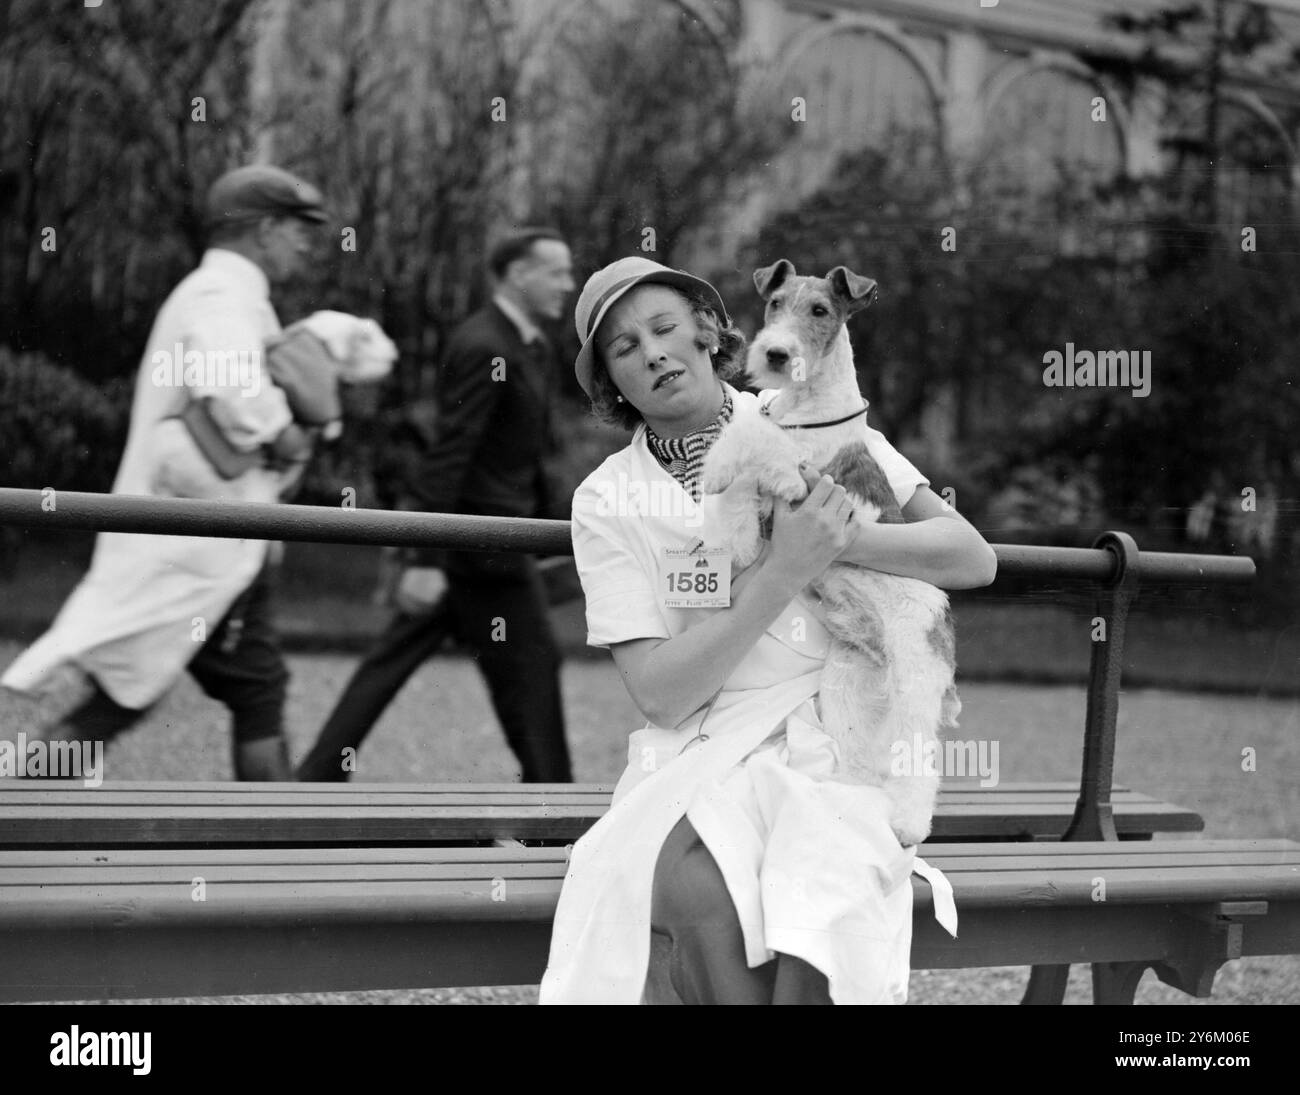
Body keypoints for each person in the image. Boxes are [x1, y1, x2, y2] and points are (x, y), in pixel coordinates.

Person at [539, 257, 998, 1004]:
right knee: (702, 894)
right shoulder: (606, 499)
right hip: (704, 748)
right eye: (624, 349)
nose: (652, 353)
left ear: (709, 332)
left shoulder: (809, 419)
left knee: (822, 899)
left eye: (663, 329)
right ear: (610, 386)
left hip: (839, 740)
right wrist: (782, 569)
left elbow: (969, 557)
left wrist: (833, 539)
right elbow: (662, 693)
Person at [1, 164, 327, 780]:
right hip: (197, 547)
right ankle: (283, 837)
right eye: (297, 230)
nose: (306, 244)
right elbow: (231, 389)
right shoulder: (220, 294)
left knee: (176, 690)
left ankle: (283, 834)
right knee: (151, 694)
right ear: (263, 230)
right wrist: (286, 431)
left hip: (207, 543)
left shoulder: (225, 293)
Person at [295, 227, 577, 783]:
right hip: (483, 545)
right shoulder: (485, 345)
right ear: (519, 274)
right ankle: (554, 808)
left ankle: (315, 779)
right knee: (533, 666)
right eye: (558, 272)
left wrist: (551, 531)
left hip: (489, 540)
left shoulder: (521, 343)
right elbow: (451, 454)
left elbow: (520, 452)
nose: (568, 284)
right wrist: (424, 561)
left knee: (395, 660)